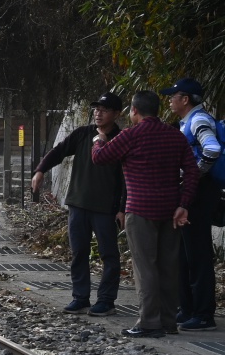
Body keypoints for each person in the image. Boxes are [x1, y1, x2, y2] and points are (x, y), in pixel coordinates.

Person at [92, 90, 199, 339]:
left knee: (145, 269)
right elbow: (192, 172)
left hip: (140, 211)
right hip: (171, 211)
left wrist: (98, 139)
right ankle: (169, 321)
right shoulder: (175, 136)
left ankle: (149, 322)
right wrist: (184, 203)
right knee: (168, 267)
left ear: (134, 111)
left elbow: (100, 157)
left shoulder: (131, 135)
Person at [31, 92, 127, 315]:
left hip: (105, 208)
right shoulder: (83, 134)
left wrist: (122, 208)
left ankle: (106, 300)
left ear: (116, 114)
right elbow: (59, 151)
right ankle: (80, 297)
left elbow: (125, 179)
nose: (98, 113)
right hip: (78, 203)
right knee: (79, 253)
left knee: (109, 255)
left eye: (104, 110)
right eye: (96, 109)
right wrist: (40, 170)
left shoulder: (121, 139)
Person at [164, 77, 222, 330]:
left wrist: (193, 176)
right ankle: (187, 309)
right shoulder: (188, 121)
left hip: (199, 194)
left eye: (173, 96)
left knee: (197, 254)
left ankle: (203, 314)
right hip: (193, 192)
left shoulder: (198, 120)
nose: (169, 100)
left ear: (185, 99)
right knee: (186, 254)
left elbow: (212, 149)